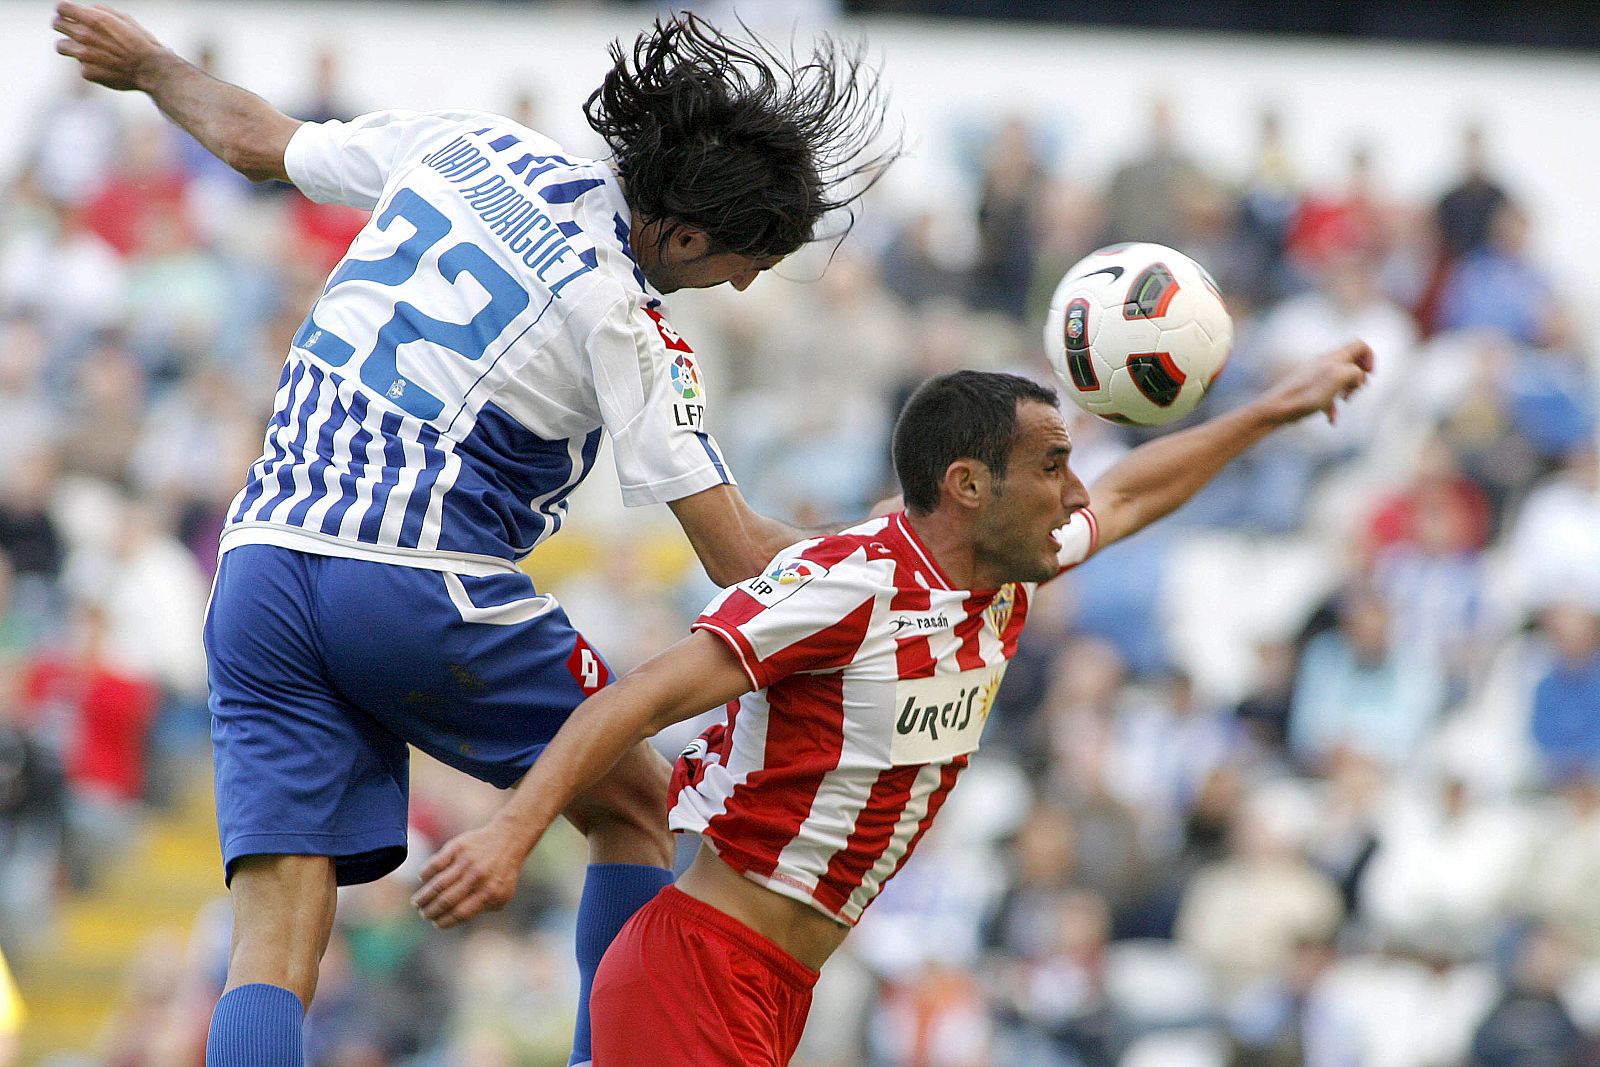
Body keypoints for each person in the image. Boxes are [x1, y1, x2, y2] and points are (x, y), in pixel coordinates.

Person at [51, 4, 894, 1066]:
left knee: (273, 932)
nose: (743, 282)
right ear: (681, 232)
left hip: (258, 565)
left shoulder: (471, 145)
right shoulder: (625, 318)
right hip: (415, 581)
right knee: (636, 798)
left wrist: (149, 65)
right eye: (745, 257)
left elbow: (254, 139)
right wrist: (893, 556)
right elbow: (734, 554)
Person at [413, 344, 1373, 1066]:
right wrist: (509, 833)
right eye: (1050, 466)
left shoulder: (1005, 570)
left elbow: (1128, 498)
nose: (1073, 490)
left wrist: (1273, 411)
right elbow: (641, 699)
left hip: (778, 983)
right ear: (966, 485)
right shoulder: (853, 581)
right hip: (699, 969)